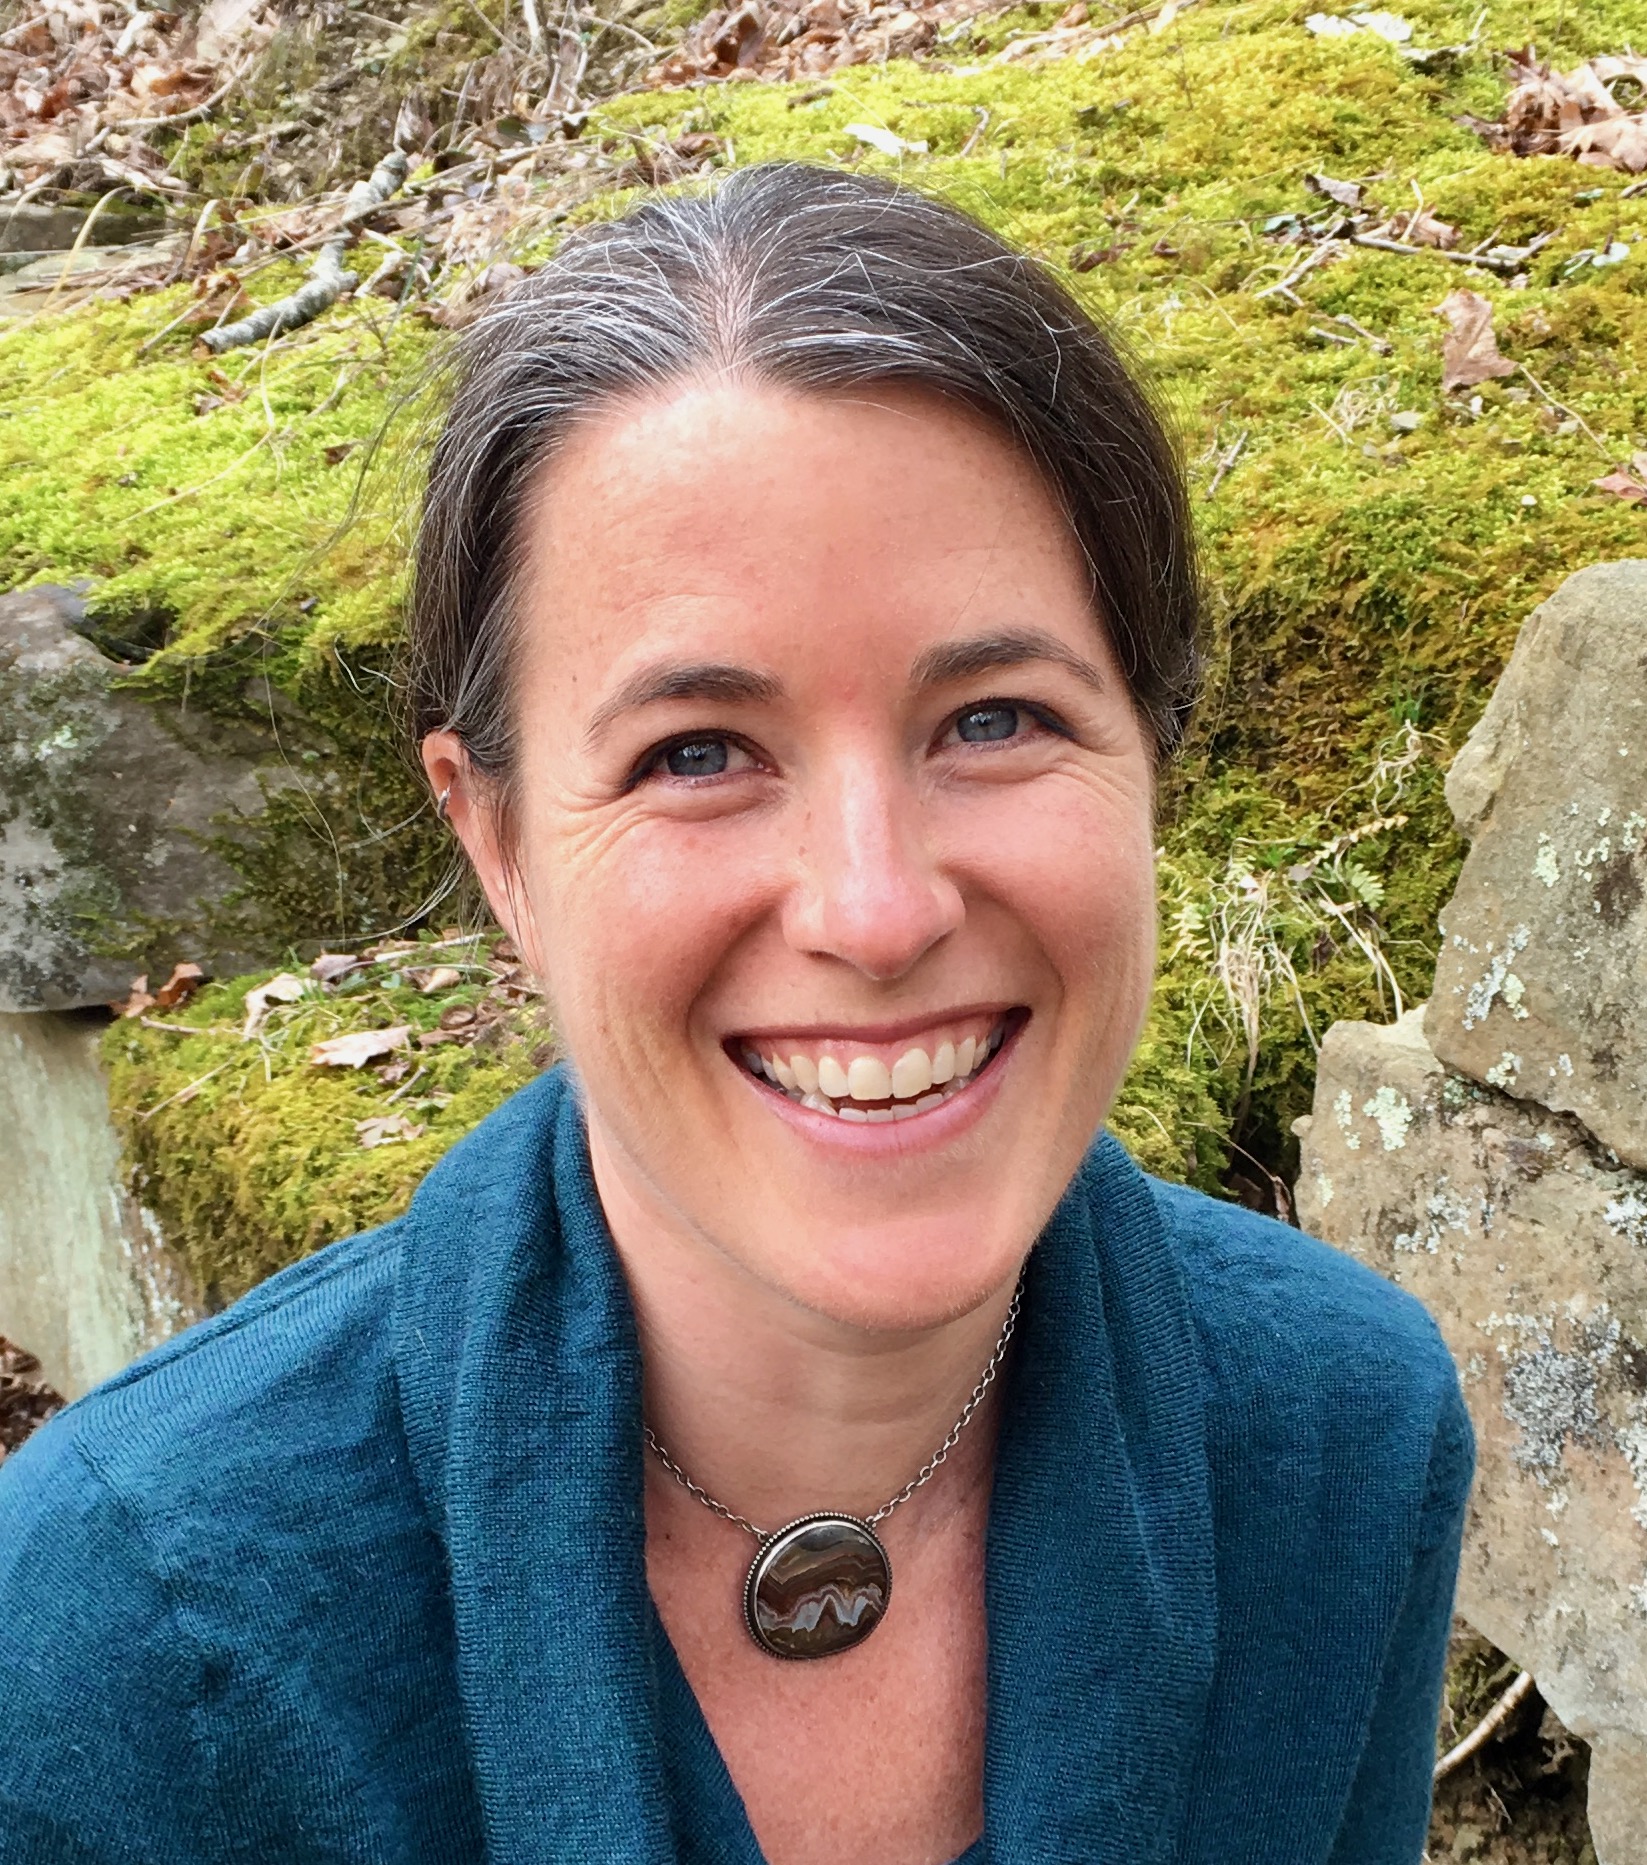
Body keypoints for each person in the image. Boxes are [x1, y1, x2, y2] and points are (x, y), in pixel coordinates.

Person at [0, 165, 1471, 1865]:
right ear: (498, 845)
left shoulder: (1340, 1438)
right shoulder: (114, 1628)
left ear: (1151, 754)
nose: (873, 906)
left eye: (993, 718)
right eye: (696, 754)